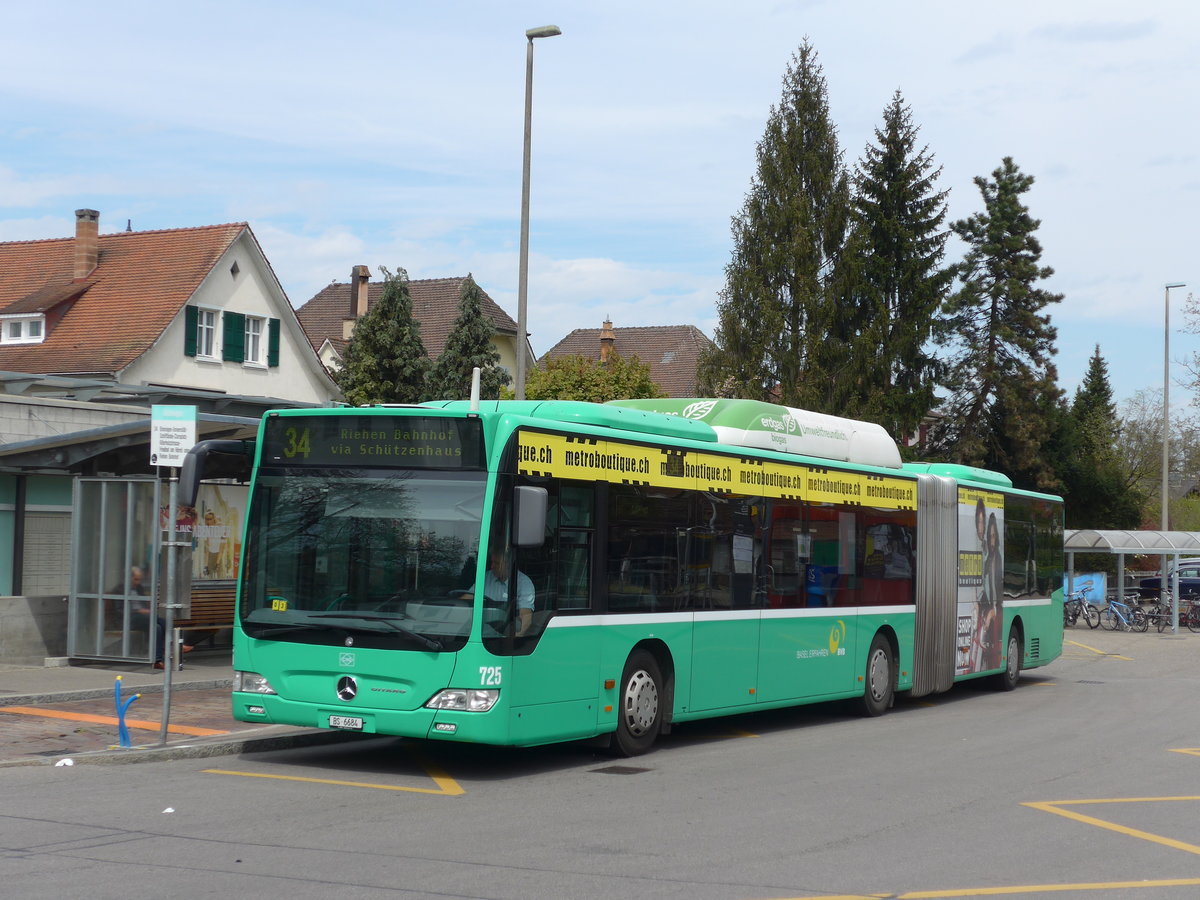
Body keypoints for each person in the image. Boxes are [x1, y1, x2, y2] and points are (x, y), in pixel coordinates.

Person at [123, 565, 192, 669]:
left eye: (139, 579)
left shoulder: (139, 588)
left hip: (142, 618)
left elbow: (144, 604)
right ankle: (163, 655)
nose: (137, 582)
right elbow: (120, 610)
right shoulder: (121, 589)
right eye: (136, 579)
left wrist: (146, 610)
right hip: (129, 618)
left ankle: (164, 654)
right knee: (156, 625)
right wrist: (138, 610)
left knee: (161, 623)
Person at [480, 548, 535, 636]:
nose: (492, 566)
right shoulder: (486, 577)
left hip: (505, 634)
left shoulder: (523, 582)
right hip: (479, 632)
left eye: (497, 563)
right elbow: (470, 597)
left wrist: (518, 635)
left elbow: (526, 614)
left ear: (508, 564)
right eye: (492, 562)